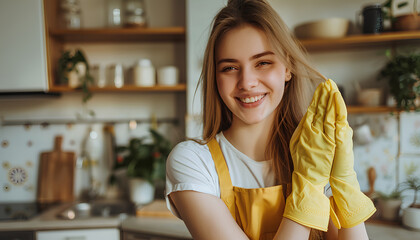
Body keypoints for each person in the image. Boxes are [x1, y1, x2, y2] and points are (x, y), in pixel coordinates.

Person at [165, 0, 376, 239]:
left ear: (287, 67)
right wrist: (307, 188)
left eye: (263, 63)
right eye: (230, 68)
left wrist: (346, 184)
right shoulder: (194, 162)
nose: (247, 82)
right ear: (216, 77)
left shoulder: (315, 153)